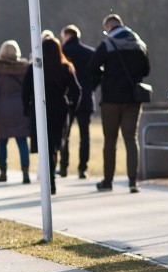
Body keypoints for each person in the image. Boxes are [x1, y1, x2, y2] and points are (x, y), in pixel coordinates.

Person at [87, 13, 150, 193]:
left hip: (111, 100)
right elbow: (146, 70)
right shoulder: (140, 44)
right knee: (131, 139)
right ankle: (133, 181)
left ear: (108, 27)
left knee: (110, 140)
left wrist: (105, 74)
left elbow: (91, 68)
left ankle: (108, 181)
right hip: (133, 99)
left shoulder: (107, 44)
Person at [23, 34, 81, 195]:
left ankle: (49, 181)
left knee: (44, 147)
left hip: (40, 109)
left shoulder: (34, 68)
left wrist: (26, 108)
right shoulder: (65, 67)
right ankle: (51, 180)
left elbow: (25, 90)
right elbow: (77, 90)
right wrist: (71, 107)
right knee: (54, 146)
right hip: (59, 109)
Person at [0, 40, 31, 184]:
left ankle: (3, 172)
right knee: (22, 141)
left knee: (2, 142)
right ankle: (25, 172)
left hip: (2, 110)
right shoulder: (24, 68)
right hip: (20, 109)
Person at [58, 24, 96, 179]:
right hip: (86, 97)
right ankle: (82, 168)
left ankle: (64, 166)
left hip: (68, 97)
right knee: (84, 135)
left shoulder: (63, 52)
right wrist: (91, 87)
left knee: (64, 134)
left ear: (66, 36)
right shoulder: (90, 53)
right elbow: (98, 74)